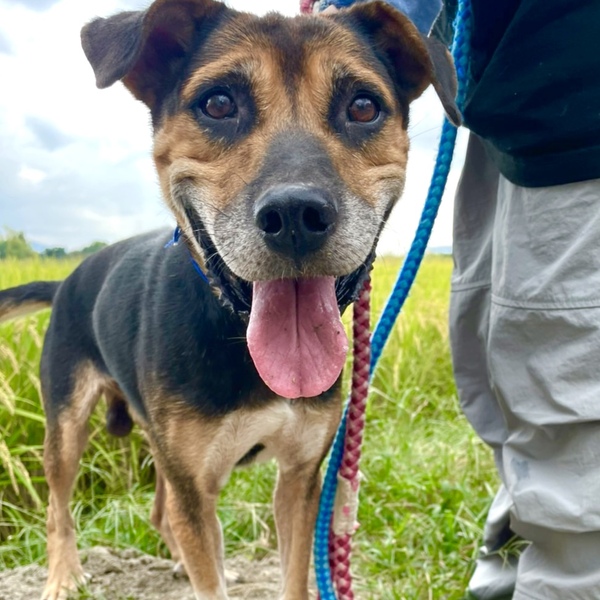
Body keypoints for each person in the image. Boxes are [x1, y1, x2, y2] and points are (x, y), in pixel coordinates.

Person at [443, 1, 600, 599]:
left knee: (573, 415)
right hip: (506, 106)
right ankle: (522, 556)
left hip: (581, 110)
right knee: (492, 371)